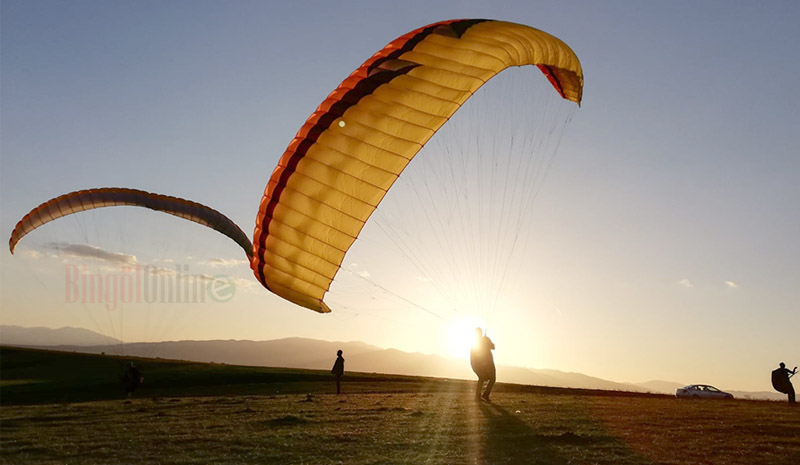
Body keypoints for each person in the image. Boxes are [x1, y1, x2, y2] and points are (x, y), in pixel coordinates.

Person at [470, 327, 496, 402]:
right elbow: (493, 347)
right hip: (486, 363)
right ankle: (484, 395)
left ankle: (480, 396)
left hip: (482, 363)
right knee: (491, 379)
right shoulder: (484, 339)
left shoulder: (475, 341)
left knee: (482, 379)